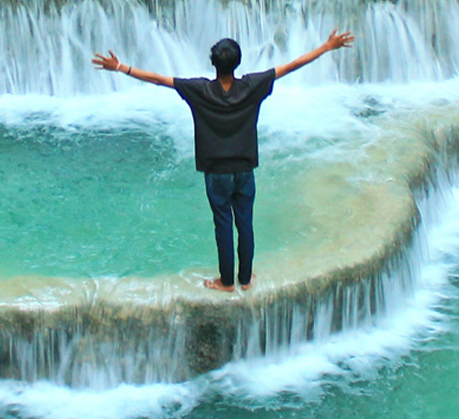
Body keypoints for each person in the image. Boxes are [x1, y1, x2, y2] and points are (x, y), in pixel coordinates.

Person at [92, 31, 355, 292]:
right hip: (244, 168)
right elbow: (293, 65)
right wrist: (326, 46)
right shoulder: (253, 85)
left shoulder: (199, 90)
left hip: (216, 171)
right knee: (245, 223)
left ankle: (226, 282)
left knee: (223, 225)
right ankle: (245, 278)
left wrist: (121, 67)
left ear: (213, 63)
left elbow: (160, 80)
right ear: (238, 62)